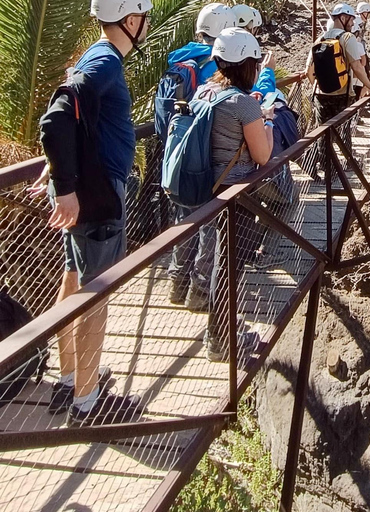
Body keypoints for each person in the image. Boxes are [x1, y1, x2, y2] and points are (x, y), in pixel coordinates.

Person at [29, 0, 152, 427]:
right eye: (145, 18)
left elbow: (75, 118)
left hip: (83, 192)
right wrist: (64, 187)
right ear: (131, 20)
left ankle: (68, 378)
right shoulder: (105, 62)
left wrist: (57, 173)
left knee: (72, 280)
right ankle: (88, 403)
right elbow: (56, 118)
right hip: (95, 197)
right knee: (95, 296)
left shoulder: (93, 56)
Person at [197, 27, 276, 362]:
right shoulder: (244, 105)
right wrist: (268, 122)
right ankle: (221, 340)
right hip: (238, 194)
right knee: (230, 267)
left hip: (210, 188)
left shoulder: (207, 91)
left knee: (222, 261)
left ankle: (222, 331)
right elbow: (263, 155)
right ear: (246, 64)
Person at [165, 2, 236, 311]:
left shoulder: (181, 59)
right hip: (207, 158)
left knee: (184, 219)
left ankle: (176, 283)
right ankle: (200, 290)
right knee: (208, 225)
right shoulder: (215, 65)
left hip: (176, 153)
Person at [307, 3, 370, 178]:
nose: (352, 21)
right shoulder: (348, 39)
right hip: (341, 95)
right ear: (343, 18)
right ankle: (333, 169)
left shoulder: (320, 39)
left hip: (320, 94)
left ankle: (323, 167)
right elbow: (357, 66)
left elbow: (309, 70)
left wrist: (315, 85)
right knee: (337, 133)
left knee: (323, 133)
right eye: (351, 18)